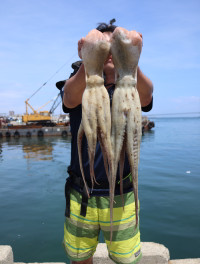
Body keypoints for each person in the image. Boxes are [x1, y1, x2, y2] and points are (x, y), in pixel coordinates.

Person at [56, 20, 153, 264]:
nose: (109, 51)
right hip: (83, 194)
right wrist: (88, 64)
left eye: (113, 45)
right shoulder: (79, 81)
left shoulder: (131, 83)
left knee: (126, 259)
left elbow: (147, 94)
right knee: (80, 258)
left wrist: (131, 60)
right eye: (103, 45)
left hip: (122, 193)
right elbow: (69, 98)